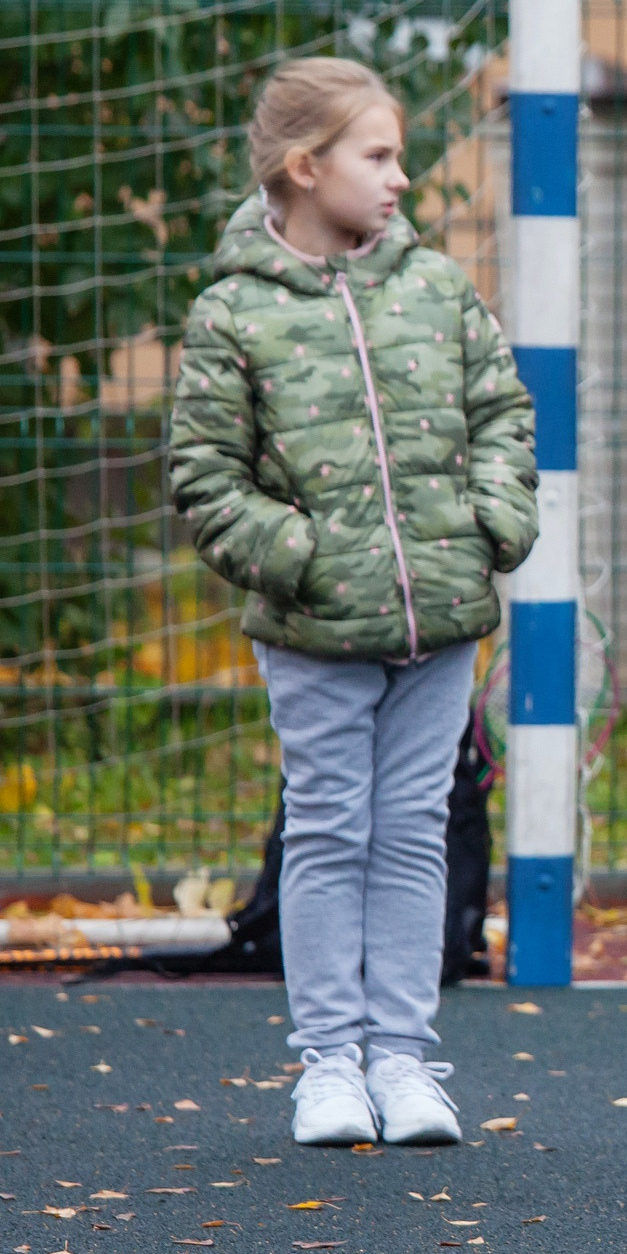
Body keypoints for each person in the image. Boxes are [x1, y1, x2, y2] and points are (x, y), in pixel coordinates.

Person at [169, 58, 538, 1149]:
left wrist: (490, 524)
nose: (400, 178)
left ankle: (405, 1058)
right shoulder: (232, 314)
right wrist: (304, 557)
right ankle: (328, 1063)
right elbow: (206, 478)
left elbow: (502, 410)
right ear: (303, 167)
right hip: (316, 631)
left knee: (415, 831)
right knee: (329, 831)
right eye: (377, 156)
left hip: (441, 624)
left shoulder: (435, 289)